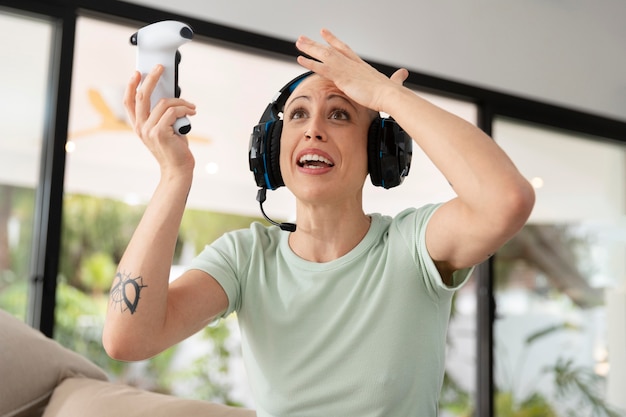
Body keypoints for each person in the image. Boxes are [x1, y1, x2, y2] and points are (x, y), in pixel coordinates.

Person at [103, 28, 535, 416]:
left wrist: (387, 97)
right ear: (272, 151)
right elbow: (128, 339)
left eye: (340, 114)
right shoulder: (247, 258)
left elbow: (505, 200)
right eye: (297, 115)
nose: (313, 130)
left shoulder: (413, 245)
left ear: (379, 154)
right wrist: (175, 175)